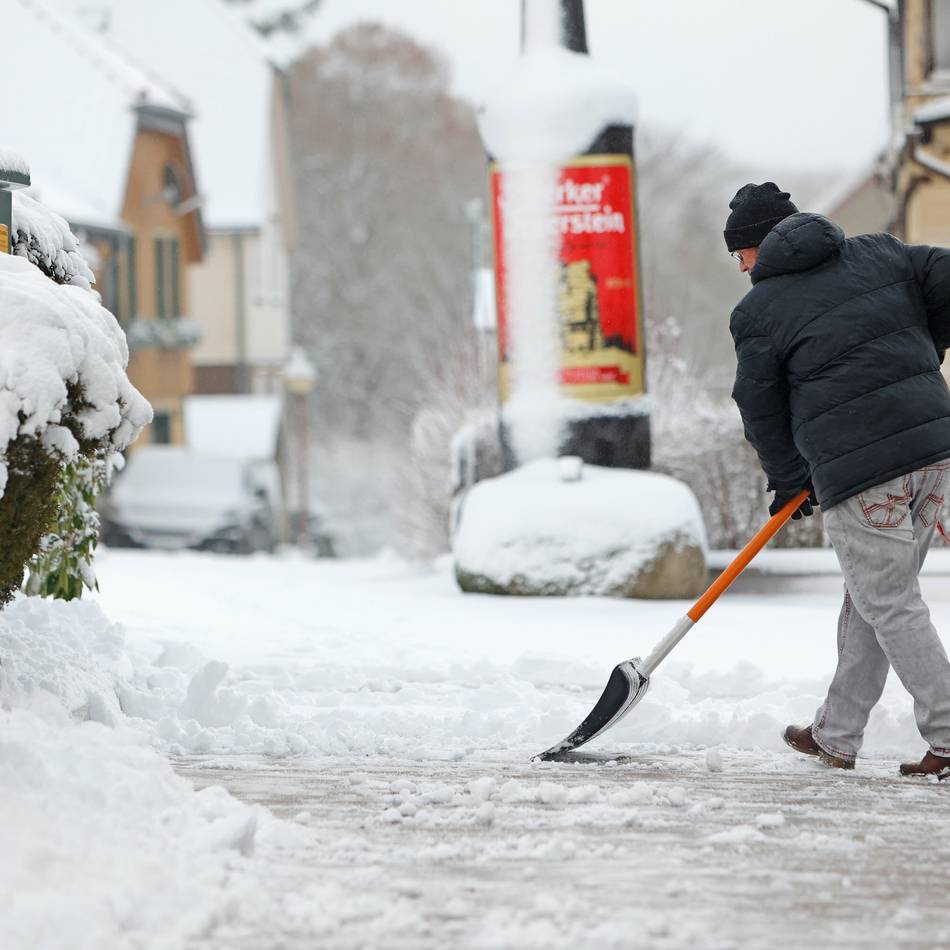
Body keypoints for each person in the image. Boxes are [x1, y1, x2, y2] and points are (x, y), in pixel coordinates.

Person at [724, 182, 950, 779]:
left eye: (738, 254)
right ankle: (838, 733)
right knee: (876, 597)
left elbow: (759, 405)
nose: (741, 267)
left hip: (860, 469)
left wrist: (787, 476)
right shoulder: (880, 253)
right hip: (935, 452)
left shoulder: (759, 311)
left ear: (758, 246)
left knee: (890, 601)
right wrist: (925, 355)